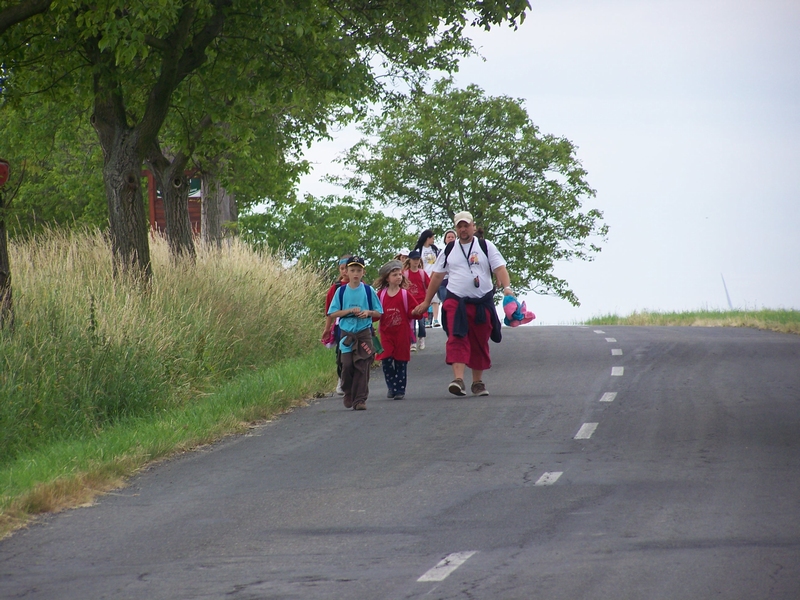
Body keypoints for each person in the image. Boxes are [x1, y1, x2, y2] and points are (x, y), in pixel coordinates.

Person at [413, 211, 515, 397]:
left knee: (479, 340)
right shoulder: (449, 249)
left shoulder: (485, 246)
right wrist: (427, 301)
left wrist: (507, 288)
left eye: (466, 225)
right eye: (459, 226)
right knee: (456, 337)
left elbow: (500, 268)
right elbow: (436, 276)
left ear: (473, 227)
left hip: (482, 302)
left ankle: (477, 383)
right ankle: (458, 380)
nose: (463, 229)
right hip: (456, 300)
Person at [327, 256, 383, 410]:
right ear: (347, 272)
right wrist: (350, 311)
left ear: (363, 272)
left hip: (364, 332)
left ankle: (360, 399)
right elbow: (333, 313)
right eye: (352, 270)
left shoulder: (368, 290)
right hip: (347, 334)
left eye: (359, 270)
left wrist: (368, 312)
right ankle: (348, 392)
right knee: (347, 365)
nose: (355, 273)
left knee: (363, 365)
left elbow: (379, 313)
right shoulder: (341, 291)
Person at [373, 260, 423, 400]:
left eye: (400, 274)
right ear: (387, 278)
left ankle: (400, 389)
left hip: (402, 334)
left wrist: (417, 311)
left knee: (401, 361)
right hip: (386, 334)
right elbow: (376, 314)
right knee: (386, 360)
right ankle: (391, 387)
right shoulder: (381, 295)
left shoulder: (405, 295)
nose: (398, 277)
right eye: (395, 275)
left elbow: (413, 311)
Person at [322, 253, 352, 395]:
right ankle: (342, 379)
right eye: (342, 268)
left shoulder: (362, 286)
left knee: (358, 355)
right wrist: (327, 329)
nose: (345, 271)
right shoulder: (335, 288)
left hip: (360, 326)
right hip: (341, 326)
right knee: (341, 354)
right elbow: (329, 311)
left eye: (347, 268)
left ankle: (355, 382)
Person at [403, 249, 430, 351]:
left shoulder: (422, 273)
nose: (416, 261)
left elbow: (429, 285)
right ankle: (413, 342)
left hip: (421, 302)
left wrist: (428, 300)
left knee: (422, 324)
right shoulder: (405, 274)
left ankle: (421, 338)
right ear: (409, 260)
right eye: (414, 259)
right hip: (410, 303)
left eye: (418, 259)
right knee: (411, 324)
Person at [414, 230, 441, 327]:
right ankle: (425, 319)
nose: (433, 240)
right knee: (425, 298)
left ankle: (436, 319)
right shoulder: (419, 250)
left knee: (435, 298)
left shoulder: (434, 249)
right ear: (427, 238)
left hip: (434, 276)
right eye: (432, 238)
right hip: (423, 276)